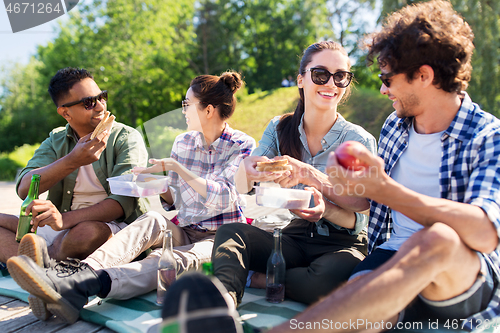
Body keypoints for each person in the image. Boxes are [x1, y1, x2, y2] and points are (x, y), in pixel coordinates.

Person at [268, 1, 500, 331]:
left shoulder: (487, 136)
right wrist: (320, 178)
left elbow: (485, 232)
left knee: (439, 239)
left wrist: (387, 190)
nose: (382, 88)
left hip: (461, 276)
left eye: (387, 78)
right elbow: (367, 200)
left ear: (424, 76)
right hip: (391, 256)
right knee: (356, 313)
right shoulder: (395, 126)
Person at [6, 70, 257, 324]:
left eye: (187, 104)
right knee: (151, 218)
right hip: (186, 229)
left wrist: (178, 170)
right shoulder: (183, 142)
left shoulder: (242, 144)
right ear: (65, 112)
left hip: (221, 237)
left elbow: (225, 196)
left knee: (164, 260)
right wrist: (158, 182)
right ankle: (69, 279)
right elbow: (176, 201)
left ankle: (77, 286)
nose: (183, 111)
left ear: (208, 110)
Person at [209, 40, 377, 308]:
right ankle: (225, 302)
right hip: (295, 236)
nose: (331, 84)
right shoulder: (279, 128)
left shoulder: (358, 141)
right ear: (301, 79)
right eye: (320, 74)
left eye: (341, 76)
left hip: (343, 243)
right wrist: (249, 169)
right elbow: (242, 185)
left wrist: (319, 194)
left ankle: (260, 279)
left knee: (321, 283)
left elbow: (363, 214)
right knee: (231, 234)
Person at [0, 67, 149, 264]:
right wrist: (72, 161)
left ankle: (36, 262)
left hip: (111, 228)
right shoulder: (56, 140)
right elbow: (24, 188)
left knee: (85, 233)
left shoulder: (126, 138)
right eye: (89, 102)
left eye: (101, 97)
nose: (100, 106)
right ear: (65, 113)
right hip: (58, 227)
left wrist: (64, 221)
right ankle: (42, 263)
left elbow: (122, 203)